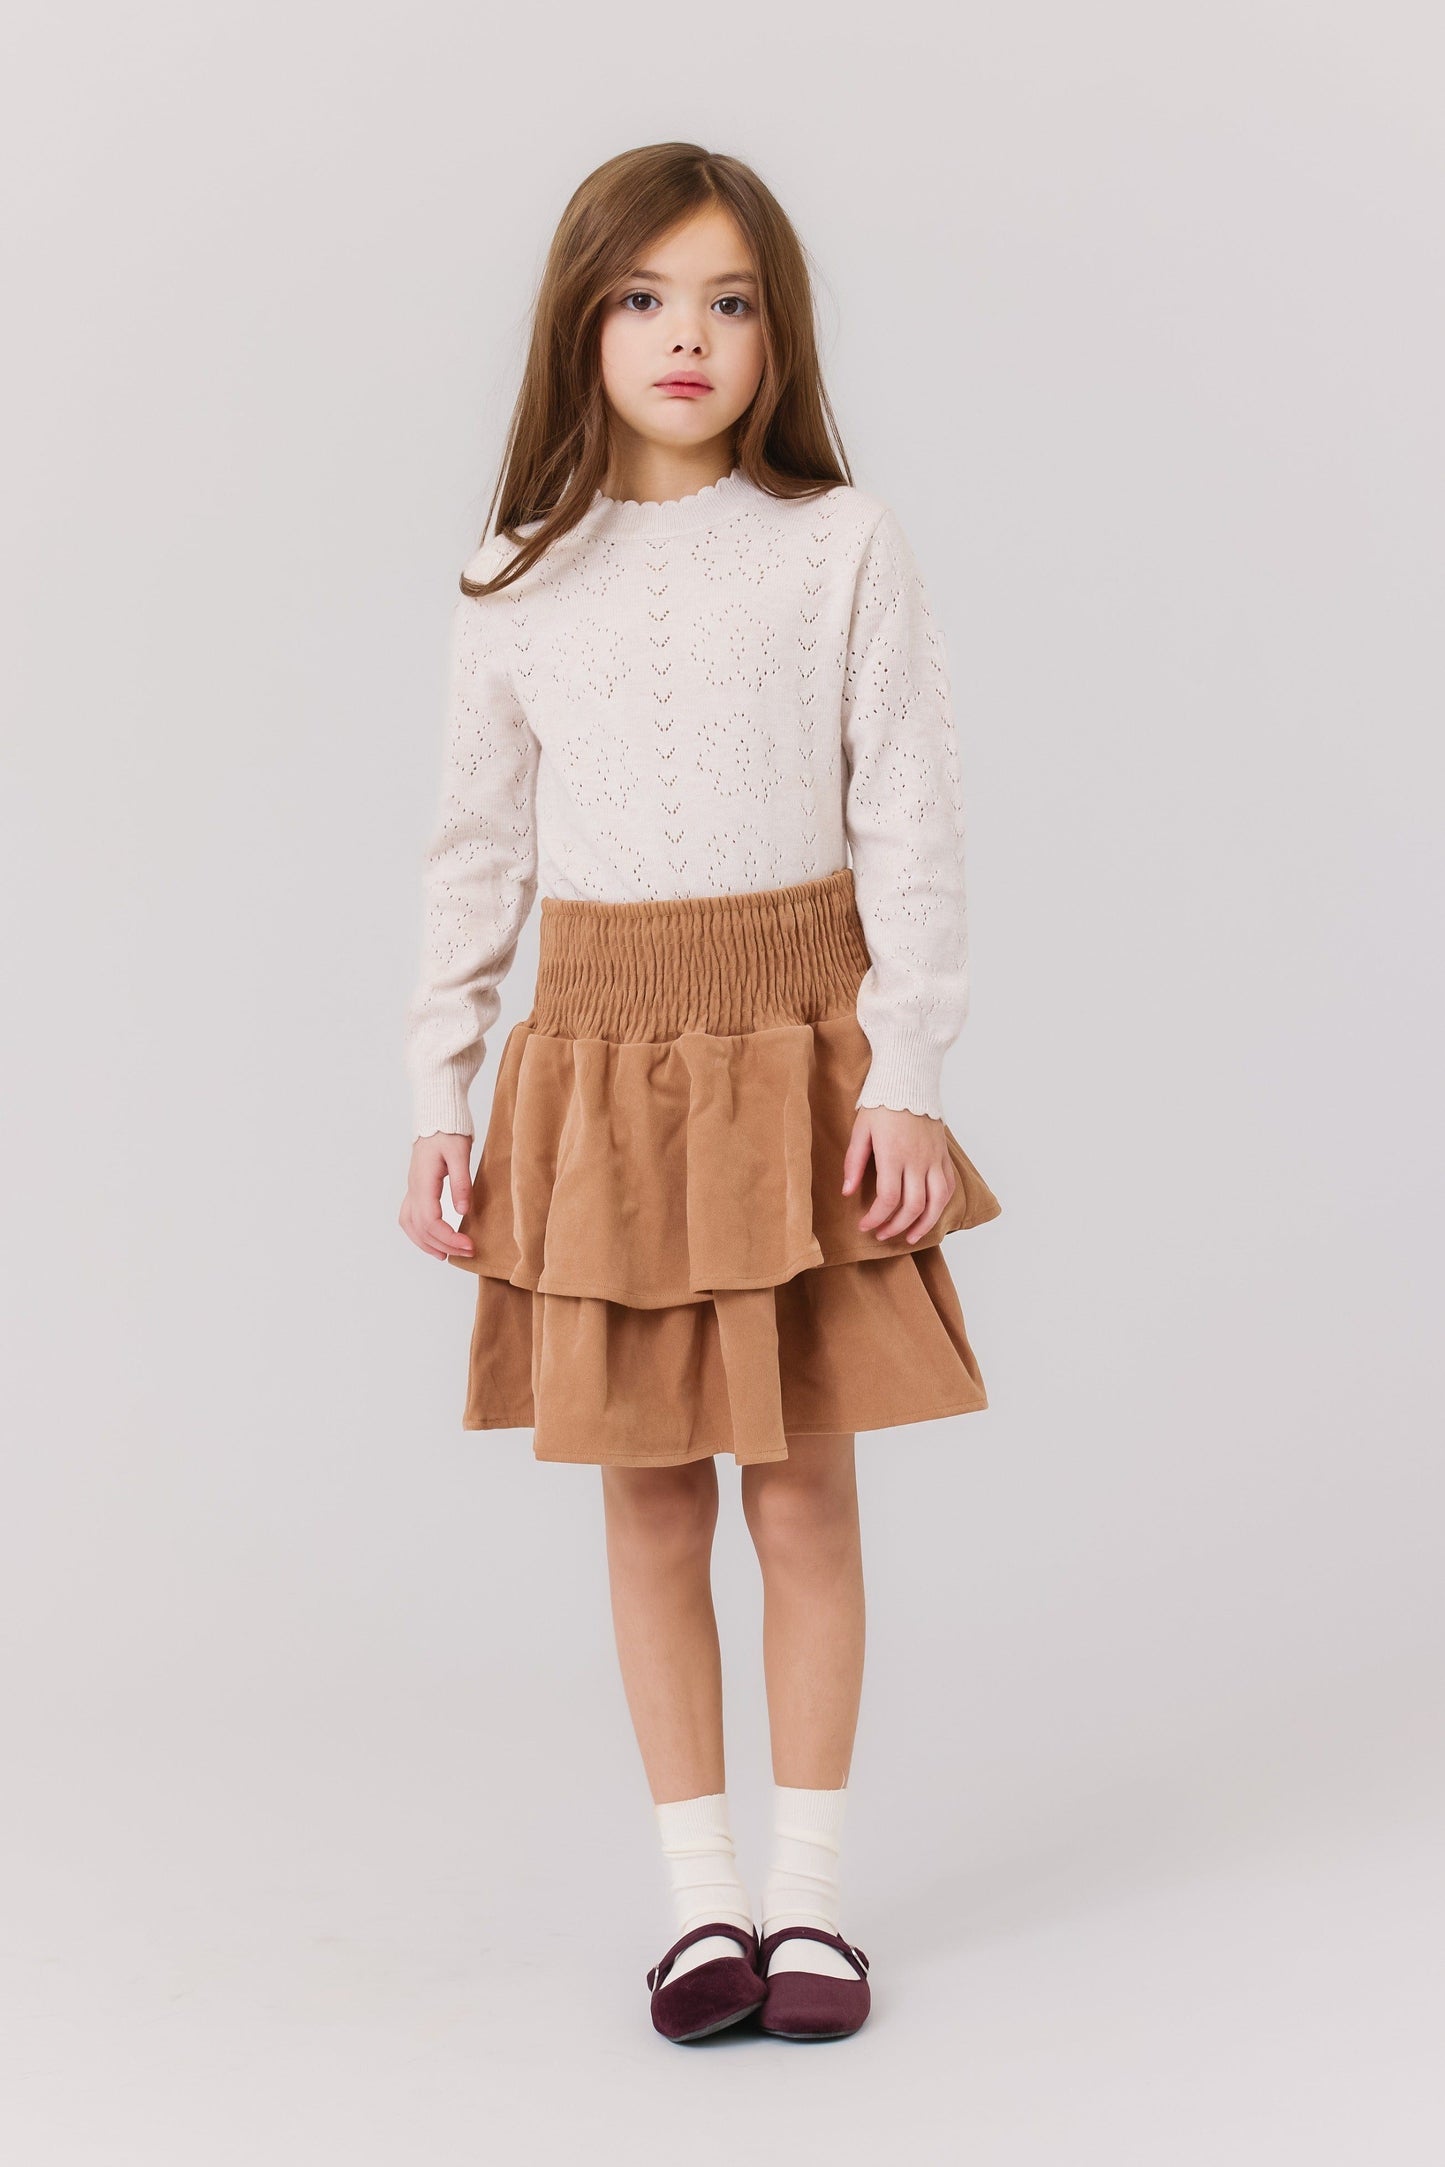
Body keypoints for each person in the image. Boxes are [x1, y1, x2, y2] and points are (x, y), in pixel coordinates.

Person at [398, 141, 1002, 2044]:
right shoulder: (515, 578)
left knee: (802, 1492)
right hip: (592, 1072)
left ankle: (808, 1905)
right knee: (651, 1500)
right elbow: (474, 854)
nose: (689, 335)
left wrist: (906, 1072)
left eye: (730, 301)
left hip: (796, 1056)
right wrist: (438, 1094)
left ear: (776, 333)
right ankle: (699, 1913)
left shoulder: (840, 544)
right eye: (646, 298)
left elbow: (911, 819)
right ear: (580, 326)